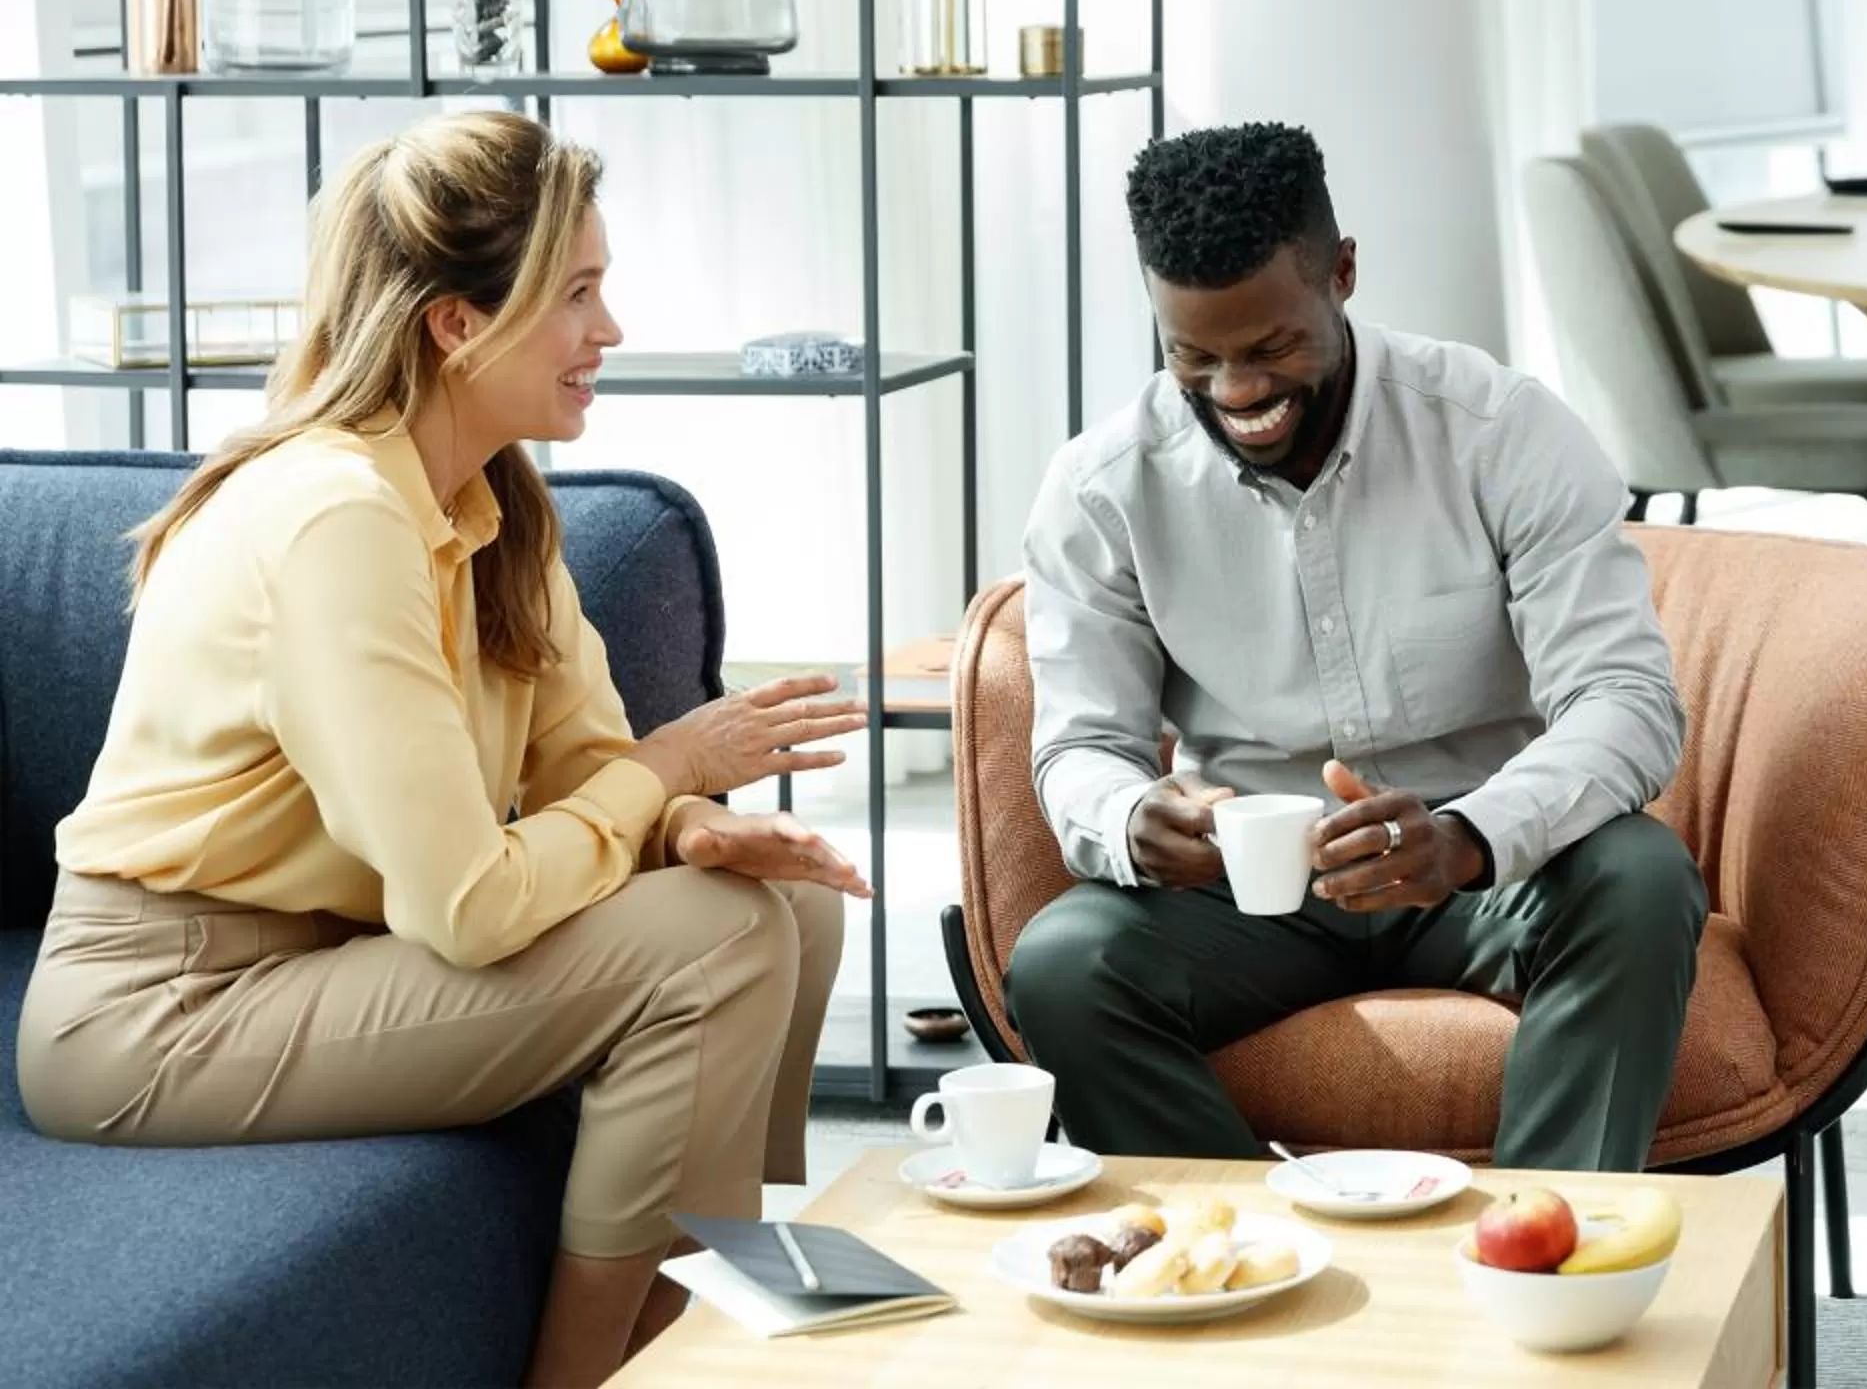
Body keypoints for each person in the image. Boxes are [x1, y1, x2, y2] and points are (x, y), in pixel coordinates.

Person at [16, 111, 870, 1389]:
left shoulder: (489, 502)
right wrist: (671, 768)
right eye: (577, 293)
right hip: (161, 1012)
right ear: (456, 323)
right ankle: (593, 1371)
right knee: (714, 938)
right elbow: (467, 905)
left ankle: (706, 1318)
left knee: (784, 898)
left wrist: (694, 820)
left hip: (325, 957)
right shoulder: (336, 521)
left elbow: (585, 755)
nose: (610, 328)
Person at [1006, 122, 1705, 1173]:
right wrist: (1130, 818)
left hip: (1484, 869)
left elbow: (1625, 697)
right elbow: (1079, 746)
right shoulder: (1104, 487)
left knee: (1639, 877)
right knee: (1064, 964)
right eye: (1193, 355)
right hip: (1250, 898)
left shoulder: (1500, 430)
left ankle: (1543, 1240)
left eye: (1269, 348)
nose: (1236, 390)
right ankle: (1248, 1251)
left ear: (1341, 273)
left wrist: (1467, 837)